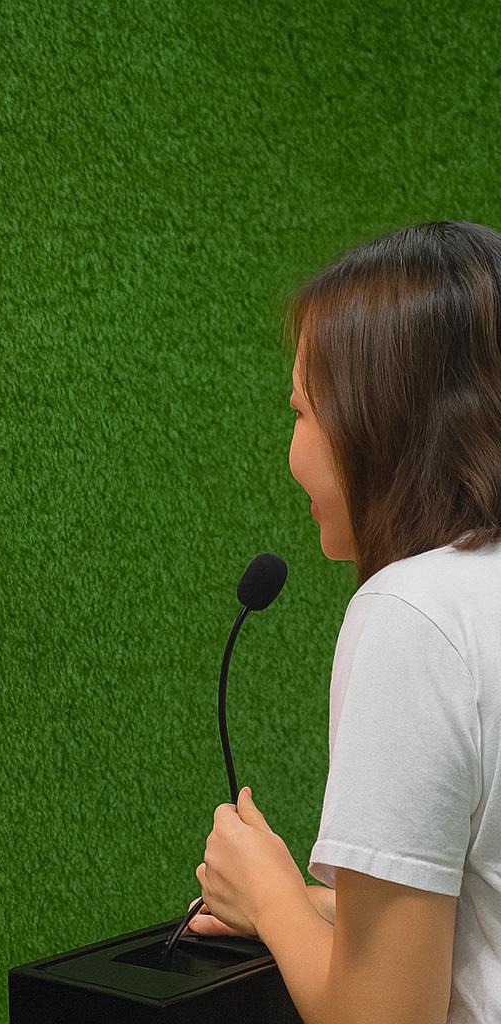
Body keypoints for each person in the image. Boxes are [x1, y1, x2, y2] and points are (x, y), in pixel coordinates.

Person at [192, 221, 501, 1024]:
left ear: (378, 421)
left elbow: (383, 1014)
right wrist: (313, 907)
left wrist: (264, 891)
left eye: (300, 413)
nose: (292, 450)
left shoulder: (414, 614)